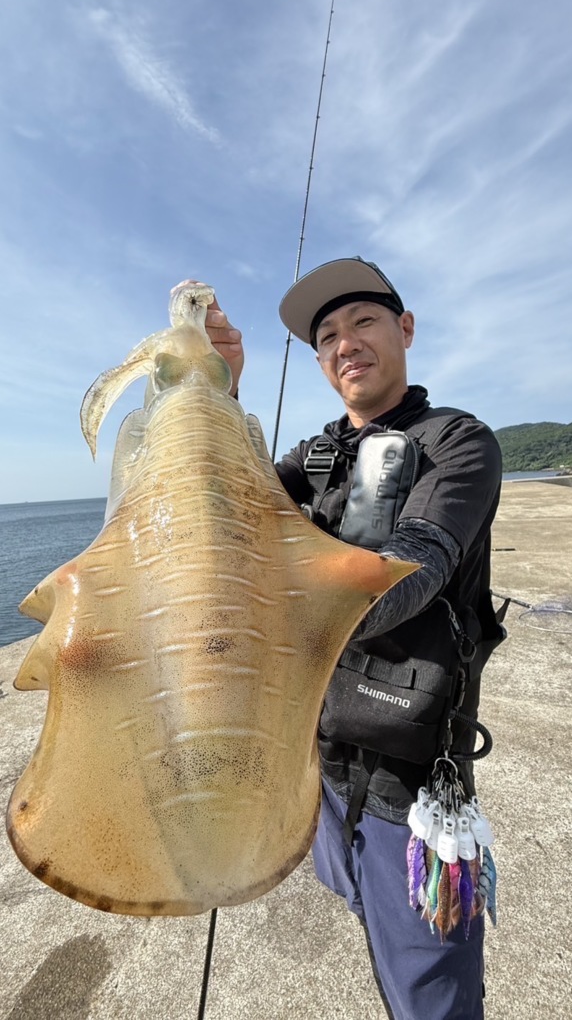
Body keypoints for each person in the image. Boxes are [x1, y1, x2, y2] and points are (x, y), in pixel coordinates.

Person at [201, 257, 502, 1020]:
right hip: (322, 758)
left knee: (431, 982)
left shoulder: (456, 443)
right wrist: (221, 385)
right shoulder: (321, 451)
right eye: (327, 335)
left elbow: (414, 567)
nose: (345, 344)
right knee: (362, 910)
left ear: (404, 329)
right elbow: (230, 501)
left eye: (363, 321)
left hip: (413, 781)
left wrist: (279, 594)